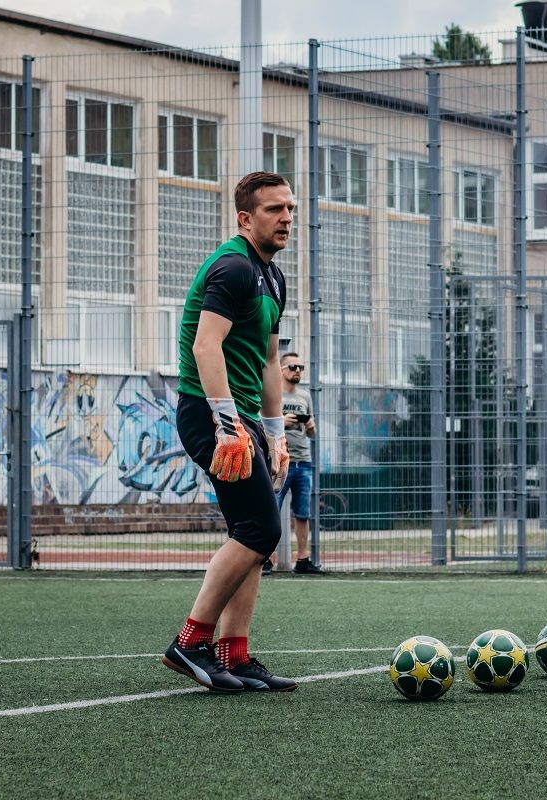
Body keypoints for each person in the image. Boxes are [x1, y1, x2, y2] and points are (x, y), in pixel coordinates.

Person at [161, 171, 297, 693]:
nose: (286, 218)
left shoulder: (273, 278)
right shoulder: (234, 267)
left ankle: (233, 655)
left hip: (244, 421)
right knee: (260, 528)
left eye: (290, 209)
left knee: (253, 533)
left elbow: (268, 361)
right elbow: (205, 346)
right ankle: (190, 641)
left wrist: (274, 435)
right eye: (273, 209)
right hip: (209, 415)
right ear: (245, 218)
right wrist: (226, 425)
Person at [268, 351, 325, 575]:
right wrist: (281, 422)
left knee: (303, 513)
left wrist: (311, 427)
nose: (298, 371)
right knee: (271, 511)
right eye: (293, 367)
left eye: (301, 367)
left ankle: (303, 560)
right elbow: (262, 426)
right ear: (281, 370)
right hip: (279, 462)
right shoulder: (272, 394)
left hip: (303, 462)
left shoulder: (305, 397)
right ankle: (266, 559)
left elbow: (312, 434)